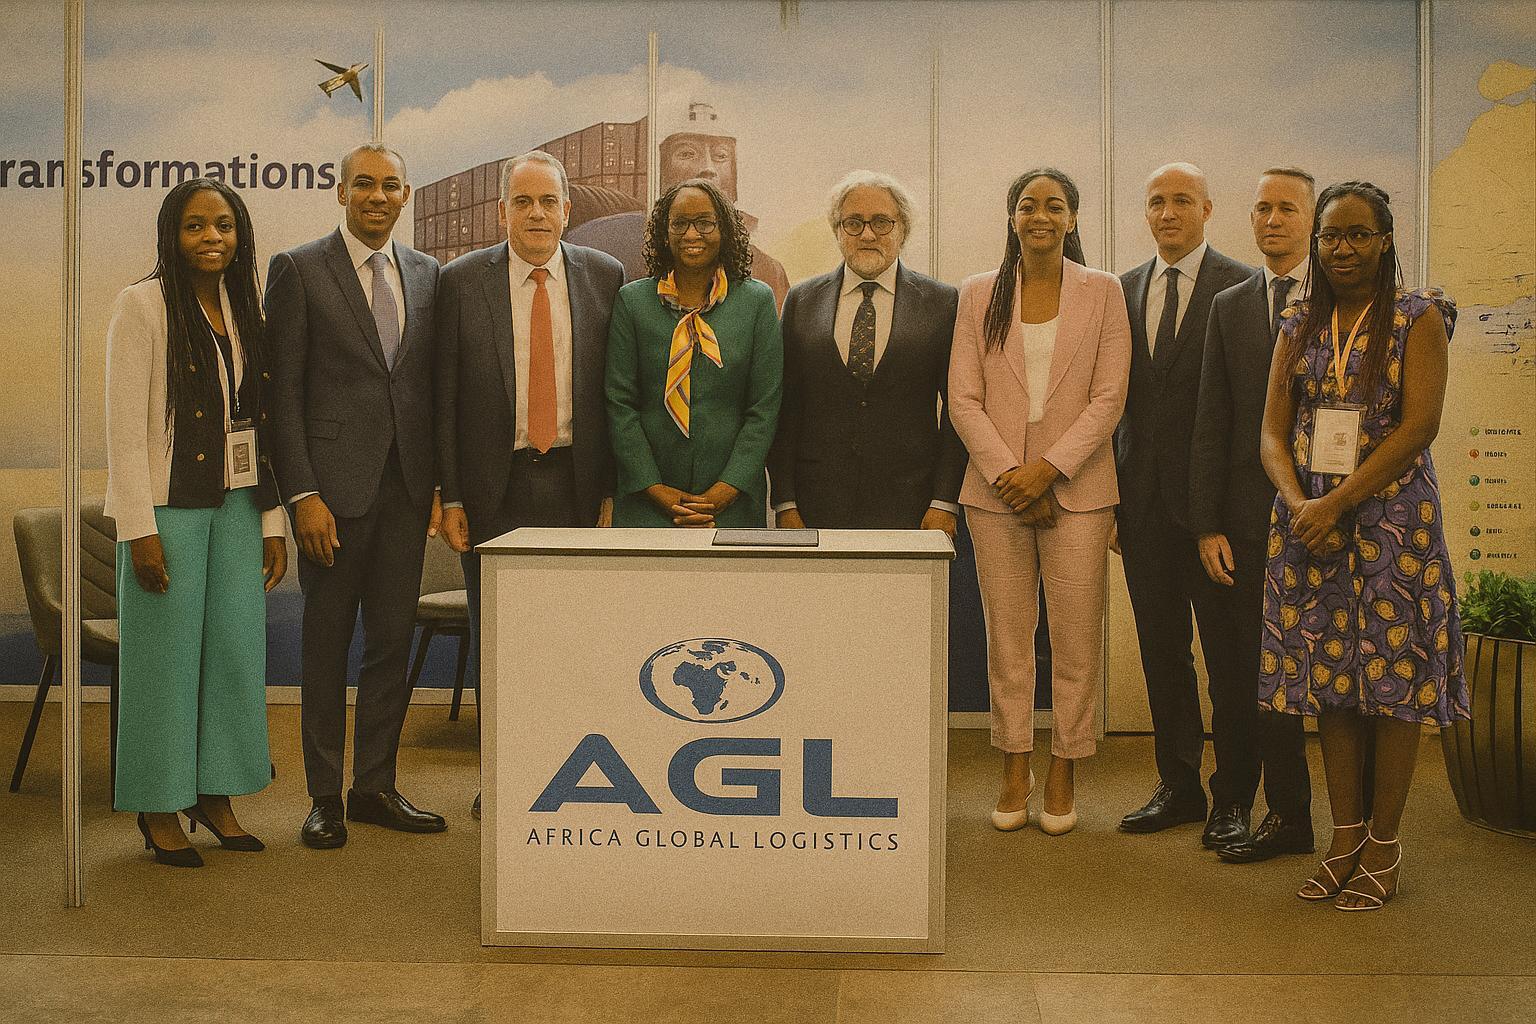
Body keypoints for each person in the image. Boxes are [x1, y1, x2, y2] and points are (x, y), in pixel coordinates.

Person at [1259, 181, 1465, 910]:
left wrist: (1338, 501)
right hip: (1309, 523)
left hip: (1392, 522)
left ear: (1385, 241)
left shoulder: (1417, 316)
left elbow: (1420, 426)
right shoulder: (1298, 320)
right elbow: (1272, 431)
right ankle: (1344, 836)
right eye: (1330, 236)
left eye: (1357, 234)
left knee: (1393, 684)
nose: (1341, 249)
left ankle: (1384, 844)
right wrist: (1299, 504)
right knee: (1331, 681)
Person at [104, 177, 288, 866]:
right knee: (164, 664)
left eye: (224, 225)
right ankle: (158, 804)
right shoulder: (141, 304)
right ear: (172, 235)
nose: (212, 237)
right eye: (195, 226)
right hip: (167, 511)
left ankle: (216, 794)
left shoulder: (247, 308)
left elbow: (262, 425)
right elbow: (124, 429)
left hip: (238, 507)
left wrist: (272, 523)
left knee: (235, 656)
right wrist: (137, 529)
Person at [266, 144, 445, 849]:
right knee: (326, 647)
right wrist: (302, 495)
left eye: (390, 185)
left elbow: (428, 387)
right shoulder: (299, 269)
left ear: (406, 194)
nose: (377, 196)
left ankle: (373, 786)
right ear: (341, 192)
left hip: (406, 492)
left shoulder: (428, 273)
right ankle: (323, 798)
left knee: (391, 645)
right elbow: (282, 396)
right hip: (331, 500)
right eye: (363, 184)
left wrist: (439, 487)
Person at [435, 151, 624, 819]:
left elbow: (616, 394)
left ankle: (573, 777)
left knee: (577, 640)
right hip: (496, 490)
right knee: (500, 643)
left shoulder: (606, 276)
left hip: (579, 487)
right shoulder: (461, 282)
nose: (537, 213)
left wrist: (612, 492)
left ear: (567, 211)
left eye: (548, 202)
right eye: (523, 202)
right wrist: (451, 496)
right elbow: (444, 399)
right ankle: (503, 778)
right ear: (502, 212)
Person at [947, 168, 1131, 835]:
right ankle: (1014, 765)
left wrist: (1047, 472)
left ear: (1073, 218)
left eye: (1054, 206)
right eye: (1028, 205)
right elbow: (963, 399)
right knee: (1008, 640)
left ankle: (1064, 768)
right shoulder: (978, 293)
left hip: (1079, 492)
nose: (1040, 216)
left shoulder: (1104, 291)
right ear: (1012, 217)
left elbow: (1109, 398)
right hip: (996, 493)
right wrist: (1012, 476)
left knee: (1076, 642)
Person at [1114, 162, 1254, 846]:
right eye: (1156, 202)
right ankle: (1178, 786)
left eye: (1180, 201)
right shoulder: (1122, 289)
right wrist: (1113, 504)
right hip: (1141, 510)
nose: (1167, 213)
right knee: (1162, 654)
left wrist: (1217, 514)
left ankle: (1234, 797)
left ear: (1207, 208)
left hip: (1215, 517)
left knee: (1230, 659)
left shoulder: (1243, 288)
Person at [1188, 168, 1319, 863]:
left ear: (1312, 220)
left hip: (1324, 517)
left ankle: (1298, 814)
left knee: (1302, 676)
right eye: (1263, 207)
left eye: (1287, 208)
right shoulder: (1231, 304)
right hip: (1240, 524)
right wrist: (1206, 523)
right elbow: (1211, 418)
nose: (1272, 219)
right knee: (1236, 671)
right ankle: (1233, 801)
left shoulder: (1343, 300)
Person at [768, 170, 964, 535]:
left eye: (881, 223)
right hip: (816, 506)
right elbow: (785, 405)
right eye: (854, 223)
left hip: (913, 505)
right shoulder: (801, 301)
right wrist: (785, 502)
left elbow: (958, 409)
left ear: (903, 230)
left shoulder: (942, 302)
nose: (868, 235)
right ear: (838, 231)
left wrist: (944, 501)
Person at [606, 178, 783, 528]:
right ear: (664, 232)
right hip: (647, 504)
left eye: (705, 223)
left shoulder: (757, 301)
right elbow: (620, 403)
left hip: (732, 504)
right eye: (680, 223)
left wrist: (724, 491)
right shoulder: (632, 302)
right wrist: (655, 489)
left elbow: (764, 407)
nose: (691, 234)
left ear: (725, 229)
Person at [565, 102, 791, 310]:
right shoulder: (608, 249)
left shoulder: (767, 272)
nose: (708, 168)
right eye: (687, 154)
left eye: (721, 156)